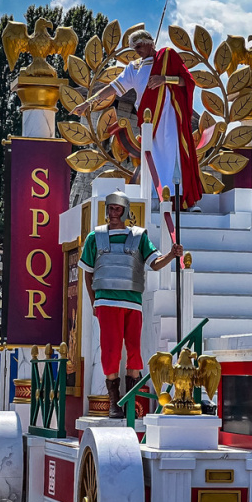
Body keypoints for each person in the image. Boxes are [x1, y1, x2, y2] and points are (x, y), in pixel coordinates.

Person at [71, 30, 203, 210]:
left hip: (171, 118)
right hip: (150, 122)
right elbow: (113, 88)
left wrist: (164, 79)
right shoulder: (134, 68)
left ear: (150, 43)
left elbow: (187, 81)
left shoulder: (167, 57)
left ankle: (185, 201)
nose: (136, 51)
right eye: (134, 48)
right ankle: (157, 200)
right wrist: (88, 103)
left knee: (175, 157)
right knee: (153, 159)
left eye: (139, 46)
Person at [79, 191, 183, 418]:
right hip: (106, 302)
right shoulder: (94, 237)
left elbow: (154, 264)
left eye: (117, 209)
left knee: (134, 352)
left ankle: (132, 404)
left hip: (132, 302)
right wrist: (93, 301)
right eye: (110, 208)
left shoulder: (139, 236)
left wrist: (171, 255)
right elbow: (87, 273)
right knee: (111, 351)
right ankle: (114, 404)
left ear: (125, 211)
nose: (112, 213)